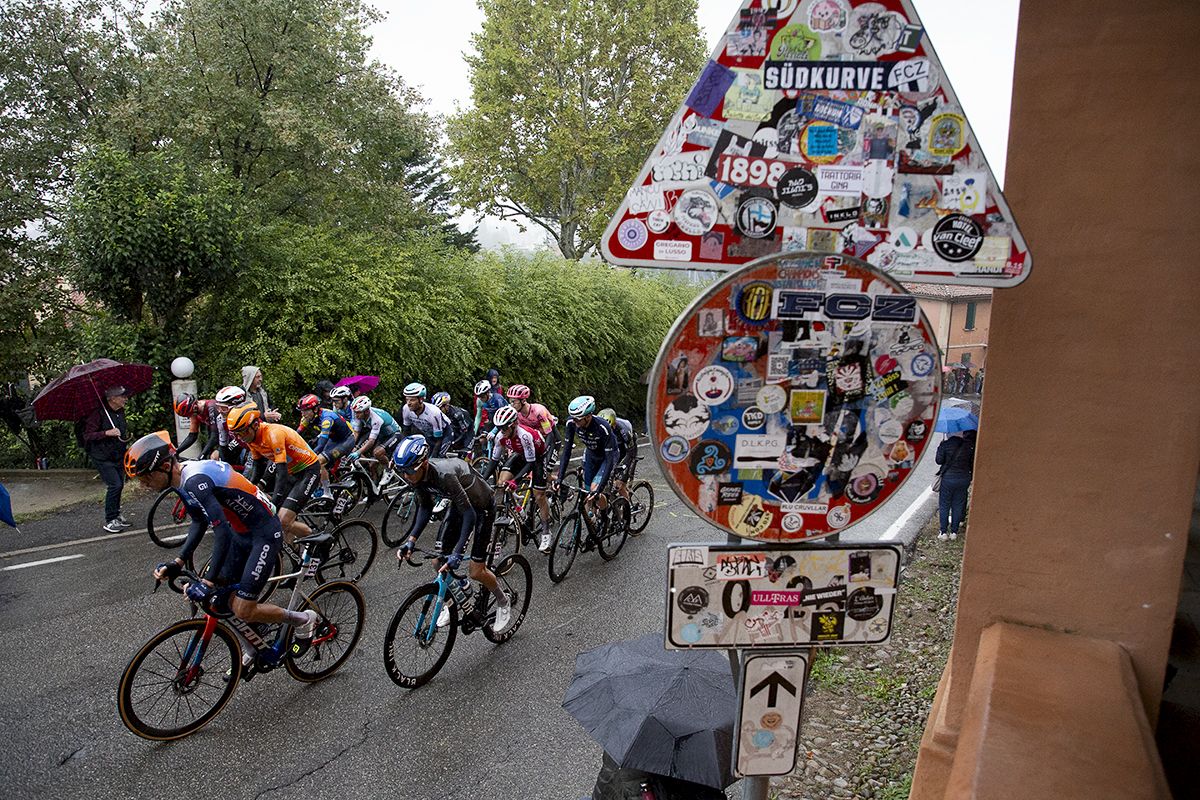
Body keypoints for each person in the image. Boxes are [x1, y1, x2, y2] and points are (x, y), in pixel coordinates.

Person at [126, 432, 318, 661]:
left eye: (145, 477)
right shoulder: (180, 480)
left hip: (263, 533)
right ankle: (254, 646)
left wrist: (207, 581)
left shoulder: (194, 481)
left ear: (166, 466)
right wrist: (177, 562)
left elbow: (221, 532)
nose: (143, 484)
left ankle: (304, 620)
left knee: (243, 609)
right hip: (241, 532)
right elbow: (199, 521)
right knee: (217, 601)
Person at [392, 435, 514, 632]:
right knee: (438, 562)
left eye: (408, 471)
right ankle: (462, 592)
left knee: (476, 571)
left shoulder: (444, 475)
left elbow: (470, 516)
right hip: (459, 505)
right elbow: (425, 508)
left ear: (423, 464)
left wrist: (458, 553)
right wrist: (410, 541)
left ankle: (502, 599)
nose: (406, 476)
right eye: (402, 471)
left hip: (481, 508)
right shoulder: (415, 474)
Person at [226, 403, 322, 545]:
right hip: (293, 472)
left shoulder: (273, 434)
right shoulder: (252, 439)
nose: (240, 438)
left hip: (308, 470)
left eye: (242, 432)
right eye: (236, 434)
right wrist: (249, 490)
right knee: (282, 521)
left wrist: (274, 504)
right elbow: (257, 468)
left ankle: (321, 542)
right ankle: (297, 557)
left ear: (254, 425)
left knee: (283, 520)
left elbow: (281, 474)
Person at [489, 404, 553, 551]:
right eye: (499, 427)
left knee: (539, 496)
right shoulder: (500, 436)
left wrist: (515, 481)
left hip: (537, 457)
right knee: (501, 482)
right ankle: (519, 511)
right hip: (521, 454)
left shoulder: (525, 435)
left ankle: (546, 531)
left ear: (514, 424)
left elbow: (530, 463)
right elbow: (493, 461)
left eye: (504, 427)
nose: (501, 431)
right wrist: (481, 478)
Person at [551, 396, 620, 529]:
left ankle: (605, 520)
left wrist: (600, 489)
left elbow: (610, 459)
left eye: (577, 418)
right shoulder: (571, 423)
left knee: (595, 490)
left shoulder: (602, 427)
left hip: (608, 457)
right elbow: (566, 451)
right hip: (592, 456)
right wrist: (559, 478)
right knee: (588, 493)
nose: (574, 421)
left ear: (588, 416)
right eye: (572, 417)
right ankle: (593, 526)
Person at [83, 385, 131, 533]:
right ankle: (110, 520)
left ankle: (116, 515)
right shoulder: (98, 413)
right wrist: (106, 433)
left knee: (120, 485)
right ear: (113, 398)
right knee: (114, 485)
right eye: (122, 396)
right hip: (102, 457)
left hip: (117, 455)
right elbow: (88, 435)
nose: (125, 399)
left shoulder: (119, 412)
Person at [295, 393, 356, 481]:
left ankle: (327, 493)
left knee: (318, 461)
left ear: (315, 409)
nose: (303, 414)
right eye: (301, 411)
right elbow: (296, 435)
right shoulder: (307, 418)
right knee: (317, 464)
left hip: (346, 441)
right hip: (334, 440)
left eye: (305, 410)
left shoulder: (327, 419)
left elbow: (321, 445)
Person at [935, 428, 977, 540]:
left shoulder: (945, 444)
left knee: (944, 505)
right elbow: (972, 462)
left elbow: (939, 460)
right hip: (963, 478)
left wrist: (940, 447)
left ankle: (943, 532)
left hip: (948, 478)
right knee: (958, 504)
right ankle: (954, 532)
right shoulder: (968, 445)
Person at [349, 396, 402, 479]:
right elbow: (356, 433)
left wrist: (358, 452)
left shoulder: (376, 419)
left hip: (394, 434)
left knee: (378, 453)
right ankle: (375, 489)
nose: (356, 415)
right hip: (382, 435)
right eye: (355, 413)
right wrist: (351, 447)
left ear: (366, 411)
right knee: (372, 466)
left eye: (358, 413)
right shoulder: (360, 415)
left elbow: (371, 441)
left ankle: (389, 471)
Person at [505, 384, 559, 463]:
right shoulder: (517, 414)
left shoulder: (539, 411)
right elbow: (516, 433)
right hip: (536, 439)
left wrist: (543, 451)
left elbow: (549, 434)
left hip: (550, 438)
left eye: (514, 401)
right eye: (510, 401)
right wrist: (511, 449)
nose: (511, 404)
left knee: (544, 469)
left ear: (523, 401)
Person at [400, 382, 452, 457]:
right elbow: (405, 432)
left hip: (444, 434)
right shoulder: (406, 409)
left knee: (438, 457)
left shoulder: (433, 412)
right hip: (428, 433)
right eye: (407, 399)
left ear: (421, 399)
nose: (408, 403)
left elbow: (438, 440)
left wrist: (433, 458)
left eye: (412, 400)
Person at [597, 408, 637, 502]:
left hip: (627, 449)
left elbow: (630, 453)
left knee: (620, 486)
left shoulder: (623, 430)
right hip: (614, 449)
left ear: (613, 425)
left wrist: (620, 466)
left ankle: (627, 511)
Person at [174, 392, 221, 460]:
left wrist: (202, 455)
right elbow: (192, 436)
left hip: (235, 435)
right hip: (225, 437)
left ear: (194, 407)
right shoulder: (195, 412)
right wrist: (177, 451)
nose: (188, 418)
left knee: (215, 457)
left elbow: (214, 436)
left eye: (189, 415)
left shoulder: (211, 407)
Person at [433, 391, 474, 456]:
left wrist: (454, 442)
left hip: (468, 431)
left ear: (447, 405)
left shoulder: (457, 415)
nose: (438, 411)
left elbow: (464, 433)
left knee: (465, 453)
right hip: (456, 430)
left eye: (440, 408)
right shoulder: (440, 414)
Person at [472, 378, 508, 446]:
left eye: (482, 396)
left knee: (502, 439)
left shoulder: (497, 399)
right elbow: (478, 417)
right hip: (493, 420)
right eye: (478, 396)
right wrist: (473, 433)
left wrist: (493, 432)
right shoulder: (479, 401)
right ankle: (488, 453)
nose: (480, 398)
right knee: (482, 439)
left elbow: (502, 418)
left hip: (504, 419)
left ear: (488, 393)